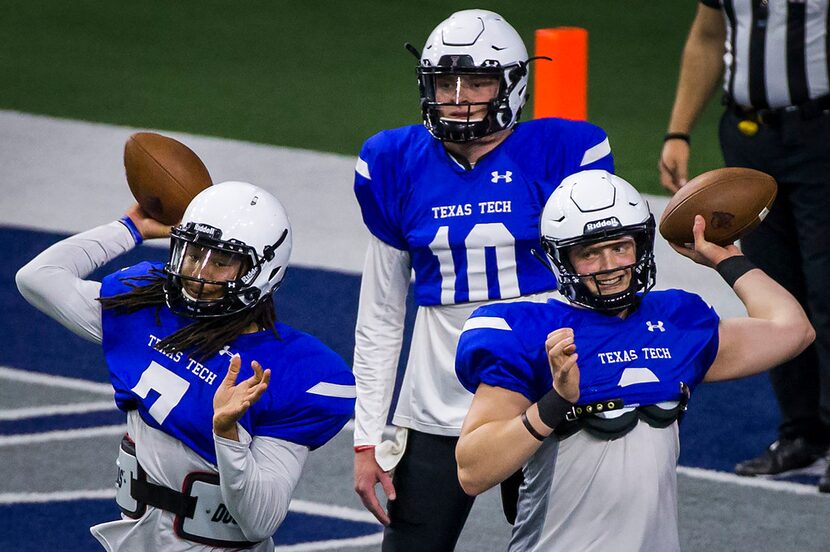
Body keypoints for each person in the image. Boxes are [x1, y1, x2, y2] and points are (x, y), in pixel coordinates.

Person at [351, 8, 614, 549]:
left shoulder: (564, 154)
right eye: (444, 82)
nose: (459, 95)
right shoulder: (393, 162)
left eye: (477, 80)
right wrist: (367, 438)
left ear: (513, 83)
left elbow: (604, 284)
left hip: (543, 393)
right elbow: (380, 314)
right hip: (435, 403)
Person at [455, 169, 814, 551]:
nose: (609, 264)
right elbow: (472, 471)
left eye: (620, 247)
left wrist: (726, 259)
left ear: (641, 245)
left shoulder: (677, 322)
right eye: (589, 253)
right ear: (562, 260)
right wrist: (556, 401)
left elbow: (792, 330)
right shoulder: (529, 332)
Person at [16, 181, 356, 551]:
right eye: (193, 254)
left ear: (263, 270)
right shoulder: (148, 308)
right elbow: (38, 277)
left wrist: (226, 432)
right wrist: (129, 228)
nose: (199, 273)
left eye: (221, 261)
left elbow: (260, 520)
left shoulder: (290, 371)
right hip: (134, 540)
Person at [658, 1, 830, 487]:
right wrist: (678, 129)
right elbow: (708, 36)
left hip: (821, 129)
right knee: (772, 284)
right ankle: (801, 434)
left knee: (826, 288)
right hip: (749, 134)